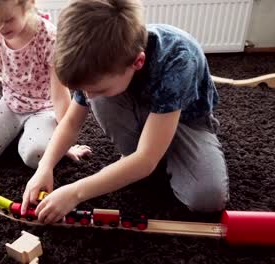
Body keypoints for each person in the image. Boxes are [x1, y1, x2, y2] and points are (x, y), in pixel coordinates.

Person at [21, 0, 229, 223]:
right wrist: (45, 167)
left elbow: (146, 159)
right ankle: (135, 158)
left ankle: (143, 160)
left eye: (97, 88)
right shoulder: (96, 65)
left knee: (207, 199)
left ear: (138, 62)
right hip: (137, 109)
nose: (87, 97)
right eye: (84, 90)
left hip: (185, 121)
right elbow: (71, 122)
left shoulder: (178, 58)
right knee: (103, 101)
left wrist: (75, 192)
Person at [0, 0, 91, 169]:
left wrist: (65, 144)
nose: (0, 27)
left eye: (7, 19)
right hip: (11, 105)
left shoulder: (50, 38)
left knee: (36, 157)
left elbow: (60, 95)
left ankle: (30, 134)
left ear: (29, 4)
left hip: (44, 109)